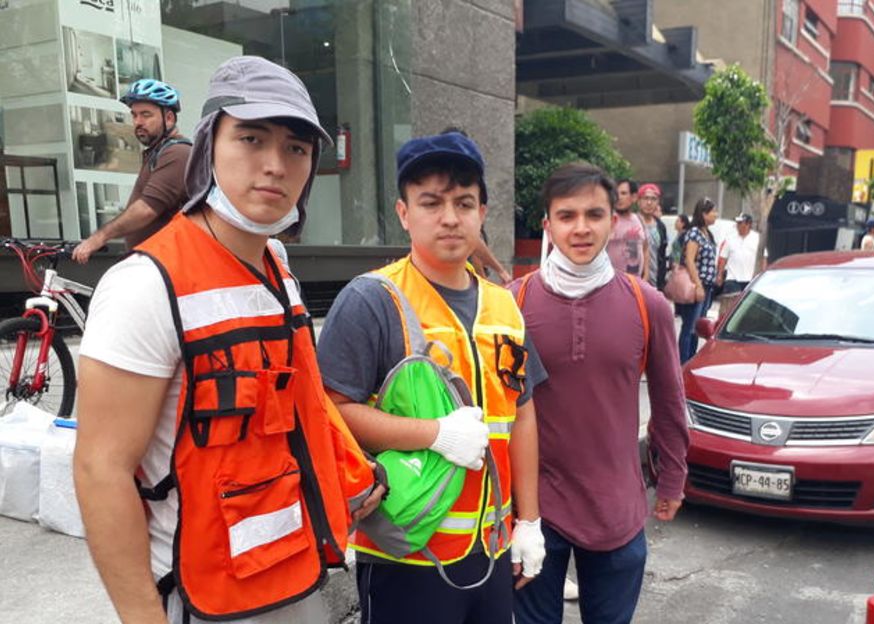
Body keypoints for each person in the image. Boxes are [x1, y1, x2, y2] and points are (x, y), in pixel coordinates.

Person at [73, 56, 381, 624]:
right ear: (209, 144)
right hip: (206, 597)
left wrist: (353, 479)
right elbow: (100, 469)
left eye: (296, 148)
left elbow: (301, 406)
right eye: (251, 137)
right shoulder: (144, 286)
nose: (274, 165)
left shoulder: (278, 268)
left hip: (300, 576)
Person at [315, 130, 546, 624]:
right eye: (430, 202)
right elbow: (329, 412)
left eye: (464, 203)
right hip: (406, 553)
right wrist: (434, 435)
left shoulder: (504, 305)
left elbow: (521, 415)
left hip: (491, 549)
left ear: (482, 213)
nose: (449, 217)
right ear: (404, 213)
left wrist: (529, 520)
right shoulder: (371, 299)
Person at [510, 162, 689, 624]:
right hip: (534, 509)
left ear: (615, 220)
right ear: (548, 224)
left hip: (617, 507)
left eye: (594, 214)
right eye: (567, 216)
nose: (581, 227)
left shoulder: (647, 305)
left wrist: (672, 476)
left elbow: (670, 402)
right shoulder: (513, 304)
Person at [73, 79, 192, 263]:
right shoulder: (157, 152)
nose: (138, 122)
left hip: (170, 267)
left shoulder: (177, 153)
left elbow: (146, 209)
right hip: (150, 262)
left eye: (146, 115)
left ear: (169, 118)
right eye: (134, 115)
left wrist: (99, 237)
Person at [675, 198, 718, 363]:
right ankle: (682, 364)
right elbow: (689, 260)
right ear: (703, 214)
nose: (716, 215)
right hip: (695, 287)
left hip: (707, 286)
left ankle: (691, 361)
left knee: (697, 328)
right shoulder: (694, 233)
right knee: (689, 327)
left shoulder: (707, 233)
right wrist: (698, 285)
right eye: (713, 211)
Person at [608, 179, 648, 276]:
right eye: (616, 194)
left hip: (636, 282)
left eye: (623, 193)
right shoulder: (608, 220)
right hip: (613, 281)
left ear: (634, 197)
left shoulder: (639, 219)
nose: (619, 197)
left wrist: (646, 275)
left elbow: (645, 248)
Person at [716, 213, 761, 296]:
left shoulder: (757, 238)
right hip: (732, 278)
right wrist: (719, 275)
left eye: (740, 223)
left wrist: (760, 274)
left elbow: (763, 258)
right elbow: (723, 258)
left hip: (750, 279)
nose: (738, 225)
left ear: (748, 224)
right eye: (737, 223)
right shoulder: (730, 239)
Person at [638, 183, 669, 289]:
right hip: (636, 281)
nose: (649, 202)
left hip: (656, 283)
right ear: (639, 201)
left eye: (653, 199)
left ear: (658, 202)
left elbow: (662, 254)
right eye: (645, 198)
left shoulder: (660, 226)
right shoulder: (633, 222)